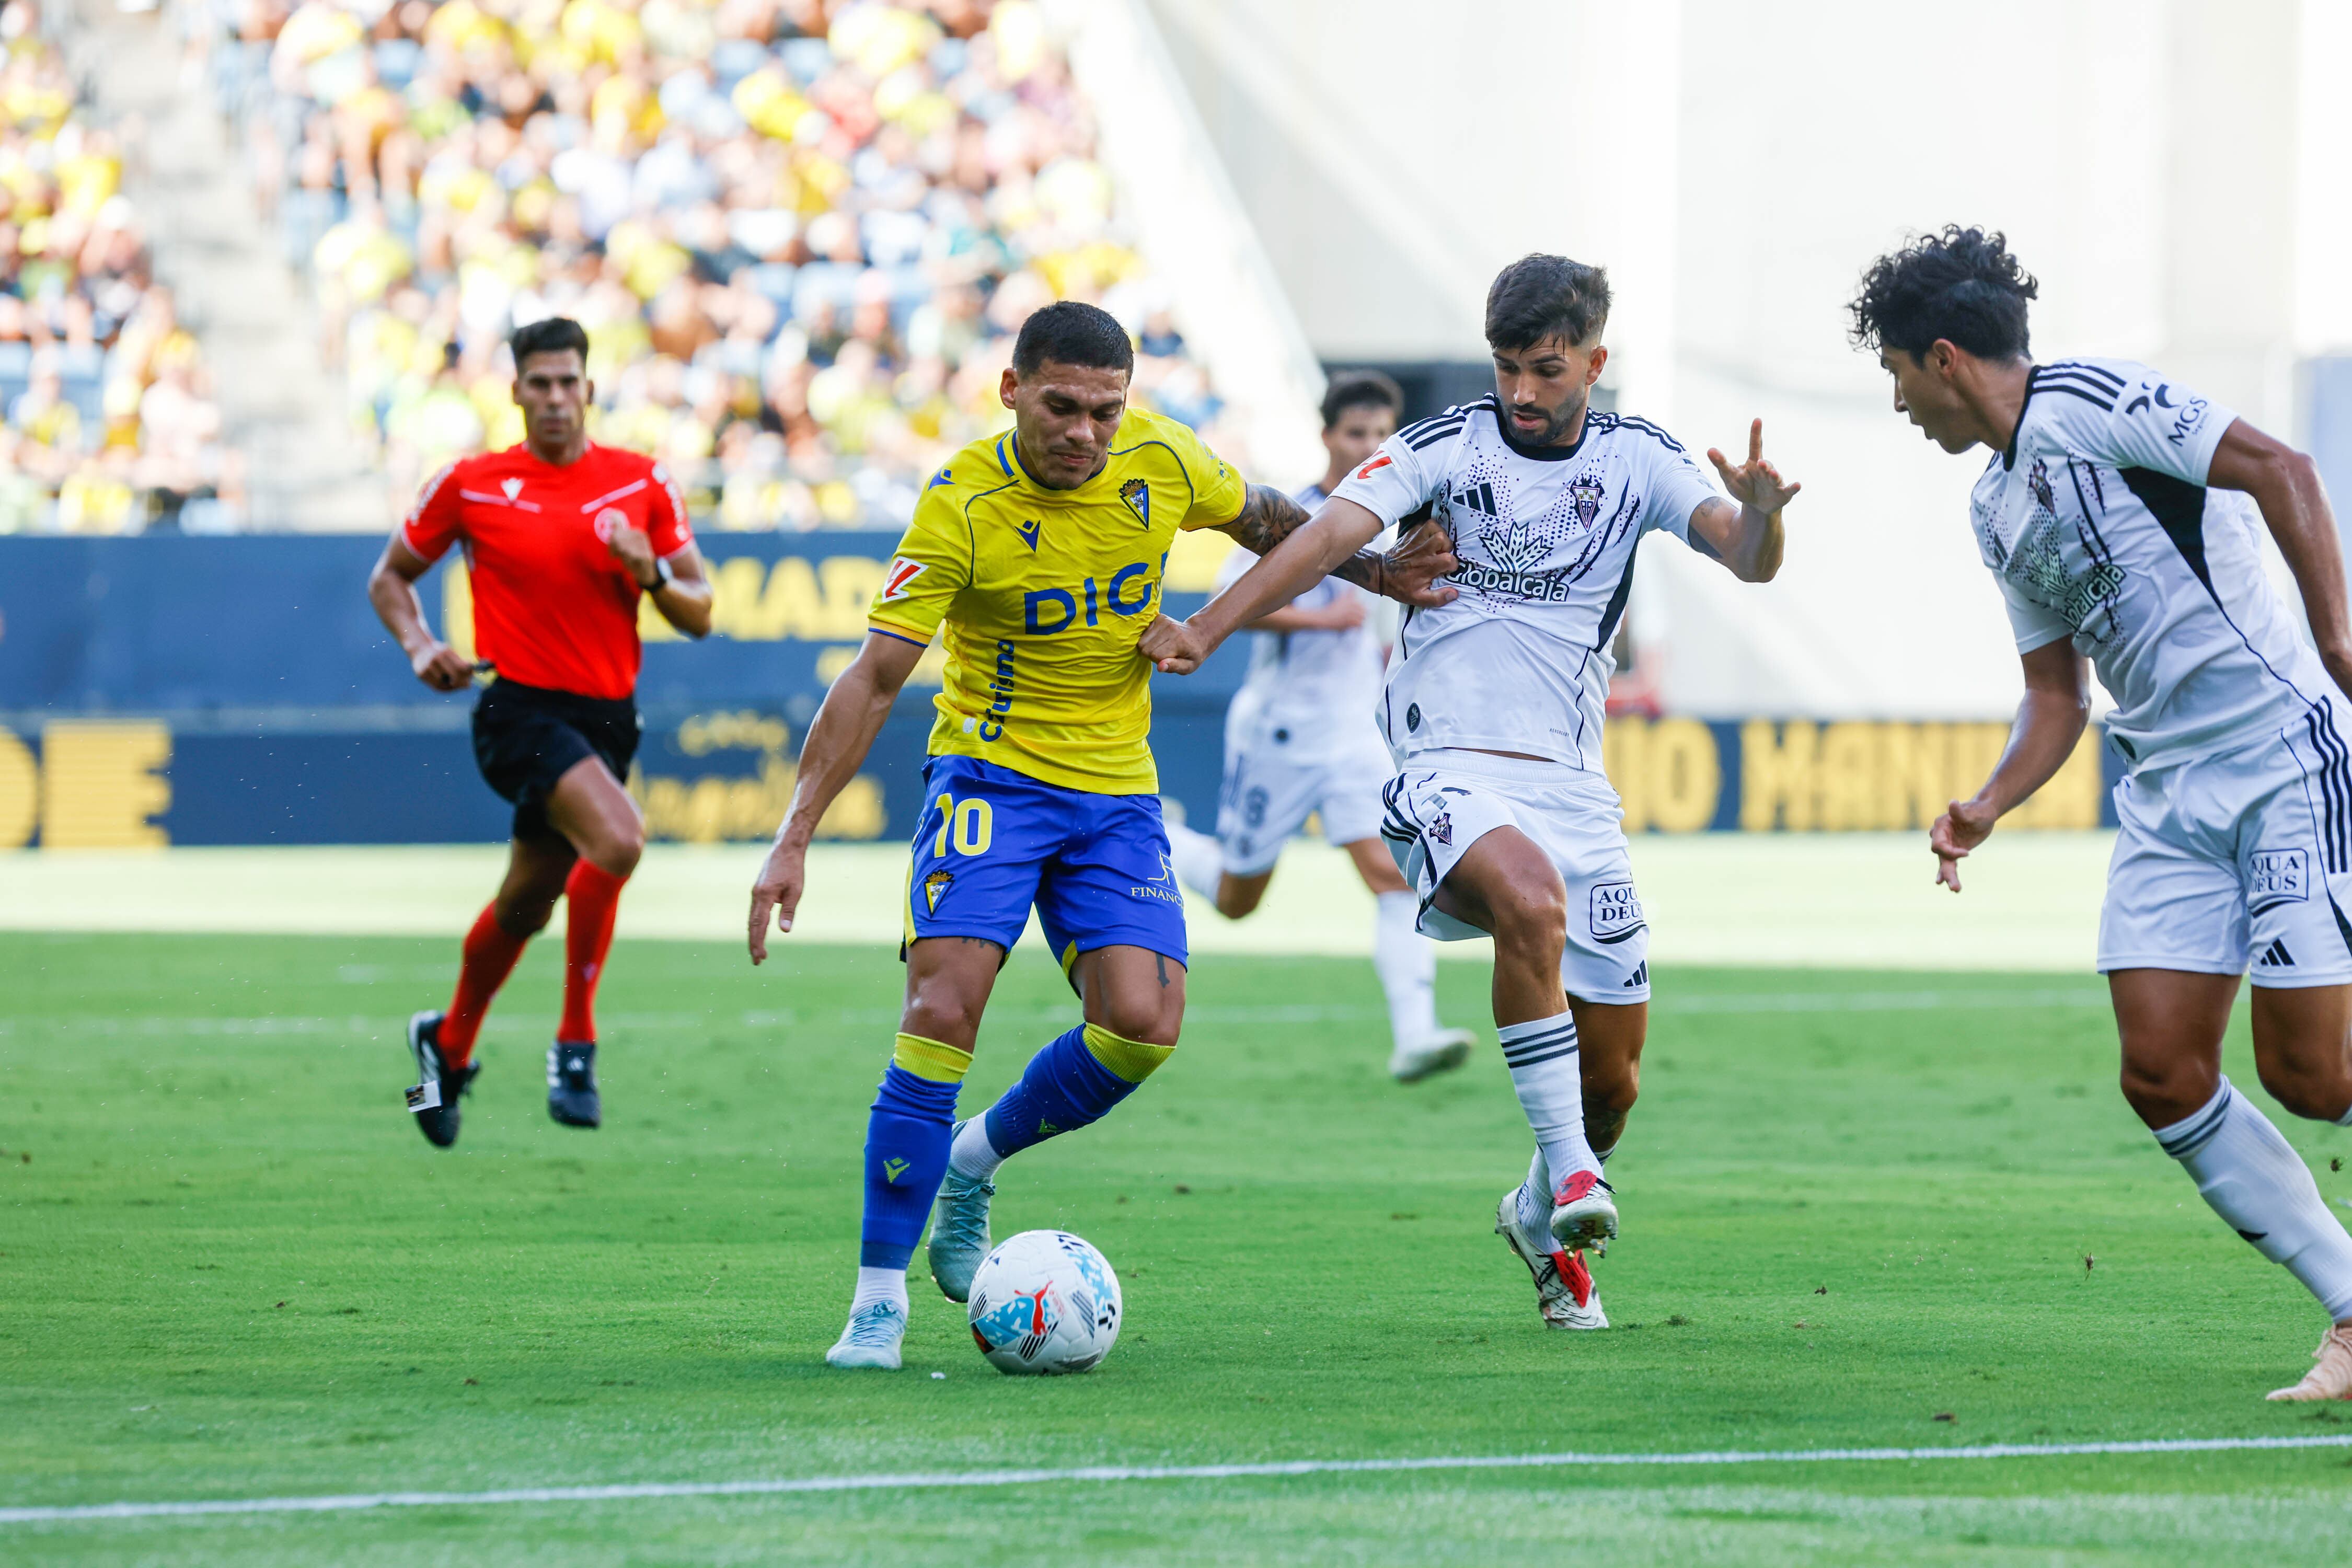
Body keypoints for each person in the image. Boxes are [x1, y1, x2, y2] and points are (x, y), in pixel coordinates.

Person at [746, 301, 1456, 1369]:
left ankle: (973, 1164)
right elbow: (875, 677)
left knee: (1140, 1025)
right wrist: (795, 833)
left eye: (1106, 411)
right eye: (1064, 408)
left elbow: (1273, 520)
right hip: (989, 779)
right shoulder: (961, 503)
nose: (1086, 432)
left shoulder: (1161, 457)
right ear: (1013, 392)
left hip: (1116, 793)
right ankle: (877, 1302)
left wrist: (1380, 573)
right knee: (943, 1008)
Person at [1142, 256, 1797, 1332]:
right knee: (1526, 902)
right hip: (1444, 763)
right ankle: (1580, 1182)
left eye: (1546, 370)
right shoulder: (1446, 445)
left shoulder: (1638, 460)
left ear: (1594, 358)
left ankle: (1537, 1209)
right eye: (1507, 369)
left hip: (1574, 785)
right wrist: (1208, 631)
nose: (1523, 393)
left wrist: (1764, 516)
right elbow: (1320, 538)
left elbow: (1746, 554)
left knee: (1615, 1084)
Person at [1848, 226, 2352, 1402]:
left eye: (1896, 376)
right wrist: (1989, 801)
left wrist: (2337, 641)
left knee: (2317, 1079)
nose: (1899, 404)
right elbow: (2055, 696)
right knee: (2164, 1072)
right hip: (2167, 795)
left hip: (2281, 755)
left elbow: (2281, 466)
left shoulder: (2093, 400)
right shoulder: (1993, 509)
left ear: (1942, 357)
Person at [366, 316, 713, 1148]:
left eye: (568, 383)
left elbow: (699, 611)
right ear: (515, 391)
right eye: (539, 383)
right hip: (517, 711)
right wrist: (423, 648)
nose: (555, 398)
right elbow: (391, 578)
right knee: (621, 843)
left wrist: (650, 571)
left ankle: (442, 1049)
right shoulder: (472, 483)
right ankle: (575, 1047)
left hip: (607, 721)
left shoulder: (641, 482)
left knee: (525, 904)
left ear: (589, 390)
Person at [1165, 370, 1478, 1083]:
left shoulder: (1403, 522)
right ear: (1328, 436)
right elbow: (1230, 603)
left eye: (1380, 434)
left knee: (1395, 878)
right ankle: (1162, 832)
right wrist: (1322, 615)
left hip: (1354, 735)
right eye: (1356, 433)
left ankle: (1416, 1034)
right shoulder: (1291, 515)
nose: (1368, 445)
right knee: (1239, 899)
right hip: (1280, 730)